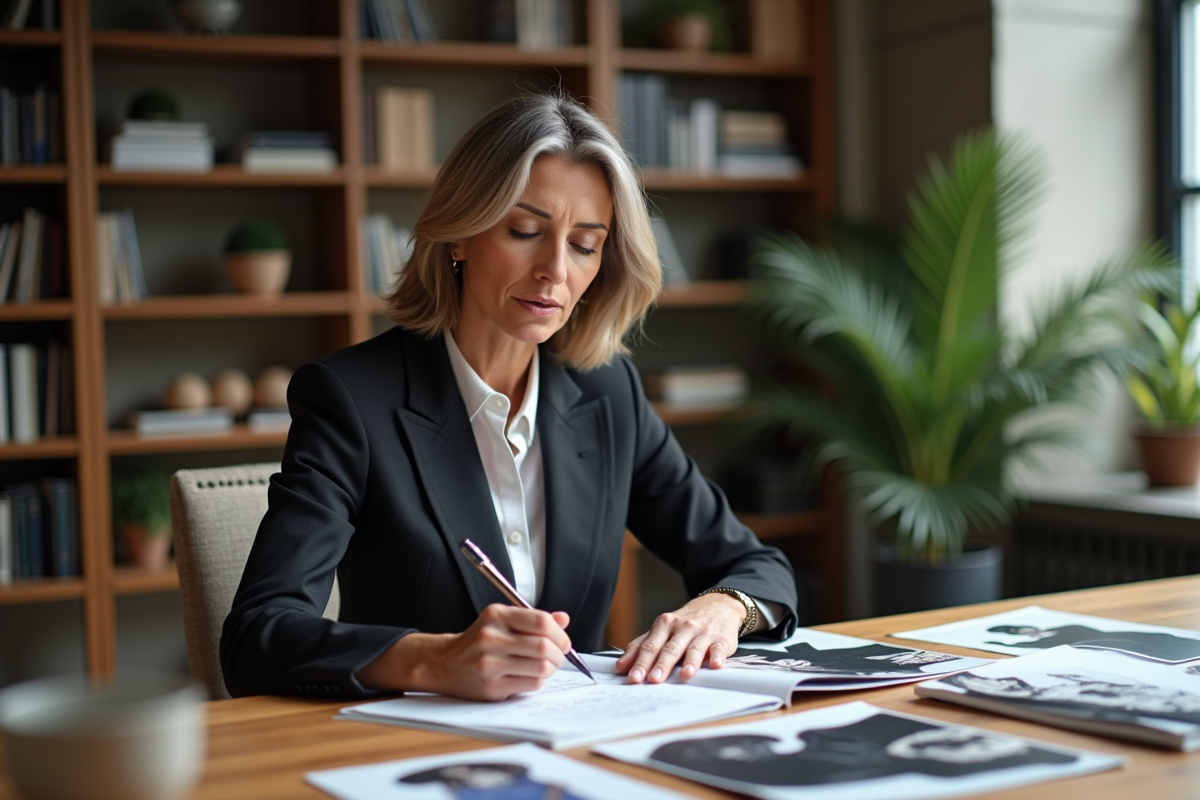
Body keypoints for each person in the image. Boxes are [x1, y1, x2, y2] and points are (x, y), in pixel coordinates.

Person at [219, 93, 799, 702]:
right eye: (525, 230)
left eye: (584, 244)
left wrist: (723, 608)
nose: (555, 269)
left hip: (581, 743)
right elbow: (256, 638)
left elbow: (759, 567)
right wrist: (435, 659)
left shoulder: (608, 393)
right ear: (459, 236)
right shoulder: (352, 399)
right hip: (416, 757)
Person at [986, 624, 1200, 662]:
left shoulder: (1066, 627)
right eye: (1014, 633)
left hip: (1128, 637)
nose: (1021, 633)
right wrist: (1001, 643)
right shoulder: (1041, 643)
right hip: (1121, 647)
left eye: (1015, 628)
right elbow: (1024, 647)